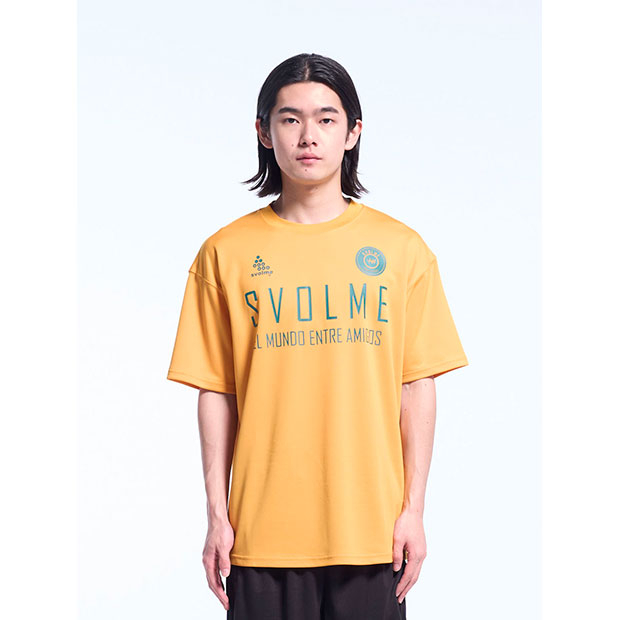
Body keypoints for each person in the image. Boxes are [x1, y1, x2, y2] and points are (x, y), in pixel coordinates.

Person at [166, 52, 469, 619]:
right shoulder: (225, 254)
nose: (309, 135)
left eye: (327, 119)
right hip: (260, 532)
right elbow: (216, 391)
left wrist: (414, 510)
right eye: (291, 118)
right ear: (264, 132)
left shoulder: (403, 251)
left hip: (372, 532)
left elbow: (416, 386)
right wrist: (216, 515)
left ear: (353, 132)